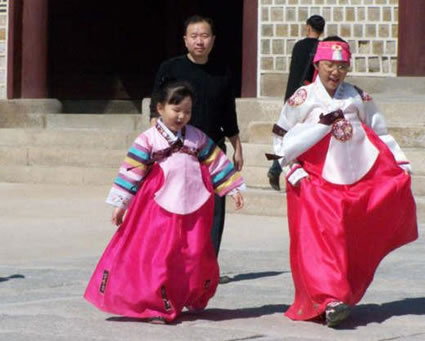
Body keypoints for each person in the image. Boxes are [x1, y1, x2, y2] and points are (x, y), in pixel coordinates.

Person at [269, 36, 417, 327]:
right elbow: (280, 136)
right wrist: (291, 170)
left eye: (341, 66)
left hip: (353, 180)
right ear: (317, 64)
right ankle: (329, 299)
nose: (335, 72)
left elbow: (380, 132)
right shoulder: (303, 97)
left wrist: (399, 162)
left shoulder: (357, 97)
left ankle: (340, 293)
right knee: (320, 240)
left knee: (346, 238)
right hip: (313, 181)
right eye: (329, 65)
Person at [84, 81, 245, 323]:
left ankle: (184, 295)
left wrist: (232, 188)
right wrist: (121, 205)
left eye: (187, 111)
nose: (182, 116)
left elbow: (216, 161)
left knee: (192, 252)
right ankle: (157, 305)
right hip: (159, 206)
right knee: (160, 255)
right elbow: (132, 171)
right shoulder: (148, 139)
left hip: (193, 205)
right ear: (159, 108)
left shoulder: (197, 137)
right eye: (176, 109)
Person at [149, 15, 244, 271]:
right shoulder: (171, 69)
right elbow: (155, 108)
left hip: (212, 150)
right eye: (194, 36)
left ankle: (207, 264)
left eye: (204, 36)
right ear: (185, 40)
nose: (199, 41)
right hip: (177, 150)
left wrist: (237, 146)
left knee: (214, 208)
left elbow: (228, 111)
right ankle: (177, 261)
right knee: (178, 204)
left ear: (213, 40)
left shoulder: (223, 71)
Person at [268, 15, 325, 191]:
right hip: (311, 100)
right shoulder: (322, 48)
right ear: (322, 30)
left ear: (308, 28)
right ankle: (278, 168)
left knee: (284, 136)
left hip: (292, 97)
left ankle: (275, 166)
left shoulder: (299, 46)